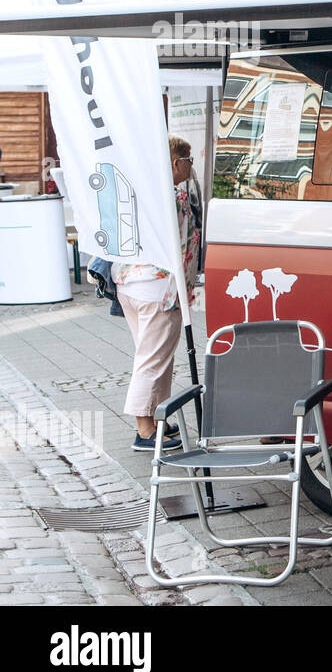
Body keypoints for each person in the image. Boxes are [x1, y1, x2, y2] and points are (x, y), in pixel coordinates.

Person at [115, 136, 201, 452]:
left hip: (130, 283)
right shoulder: (176, 198)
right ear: (176, 163)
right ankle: (144, 431)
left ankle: (154, 419)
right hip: (160, 289)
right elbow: (184, 248)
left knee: (152, 356)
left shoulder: (140, 194)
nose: (192, 165)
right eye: (189, 159)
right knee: (152, 360)